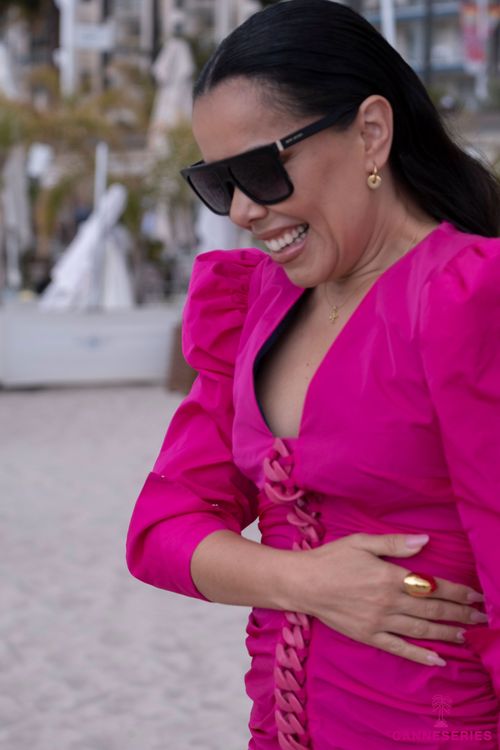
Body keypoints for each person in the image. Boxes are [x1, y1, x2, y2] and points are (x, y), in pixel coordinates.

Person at [126, 1, 500, 747]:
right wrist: (307, 582)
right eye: (218, 181)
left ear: (370, 132)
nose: (241, 209)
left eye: (261, 170)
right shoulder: (253, 306)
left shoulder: (466, 297)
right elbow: (160, 530)